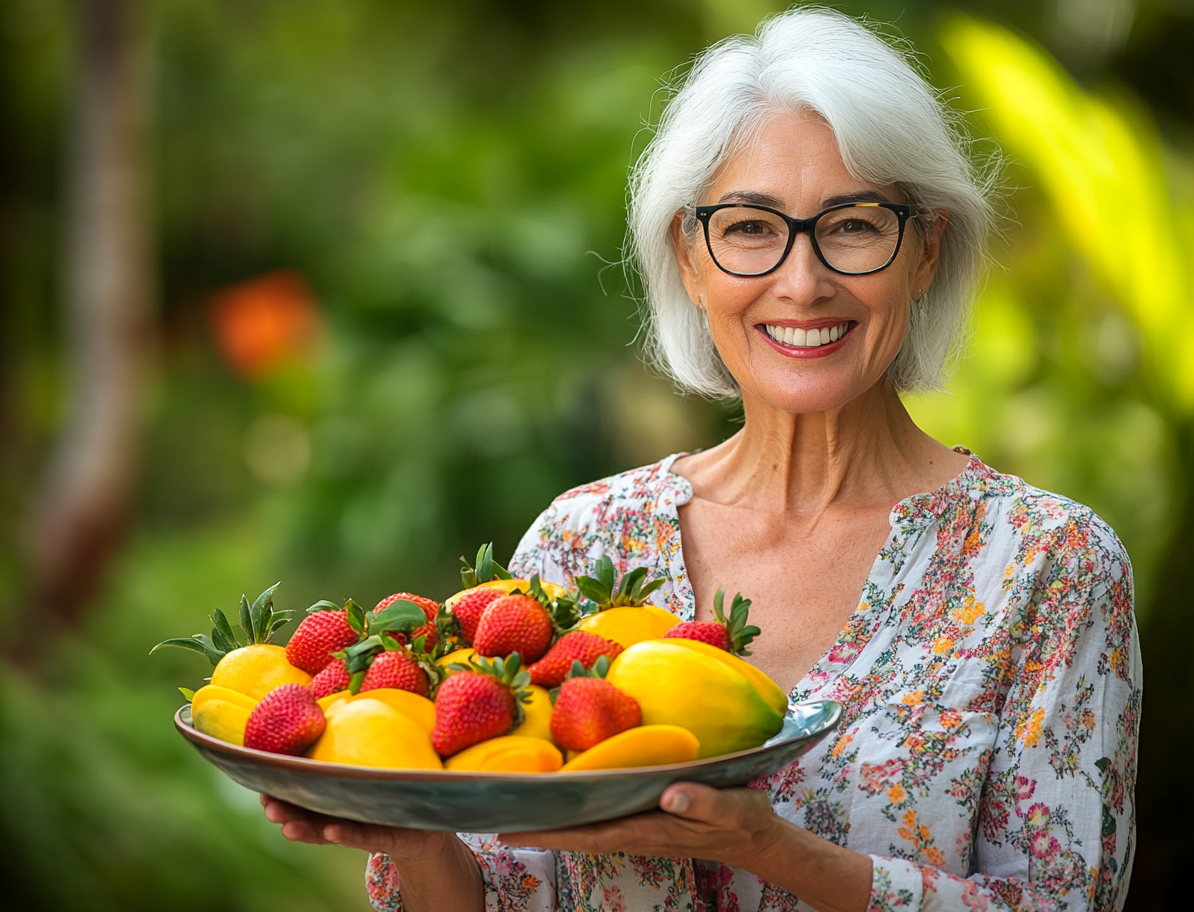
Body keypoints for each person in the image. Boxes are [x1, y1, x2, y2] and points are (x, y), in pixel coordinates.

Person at [263, 8, 1141, 911]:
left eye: (853, 224)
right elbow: (496, 896)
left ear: (926, 249)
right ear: (690, 255)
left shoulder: (1049, 566)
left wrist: (774, 849)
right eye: (752, 228)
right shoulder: (583, 544)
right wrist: (409, 834)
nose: (803, 281)